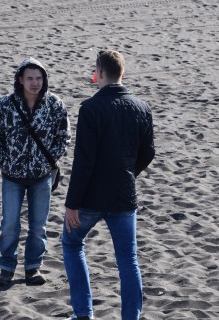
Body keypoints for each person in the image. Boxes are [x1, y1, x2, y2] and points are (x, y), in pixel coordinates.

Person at [63, 50, 155, 320]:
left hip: (91, 197)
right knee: (128, 261)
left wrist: (72, 204)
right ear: (122, 73)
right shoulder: (142, 107)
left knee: (72, 244)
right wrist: (127, 173)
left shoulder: (90, 108)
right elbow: (148, 153)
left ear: (99, 73)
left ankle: (83, 314)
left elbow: (84, 161)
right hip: (123, 195)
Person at [0, 57, 71, 286]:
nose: (35, 83)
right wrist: (5, 162)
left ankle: (33, 268)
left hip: (41, 177)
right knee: (9, 225)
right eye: (30, 78)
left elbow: (63, 136)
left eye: (39, 78)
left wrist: (49, 161)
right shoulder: (5, 105)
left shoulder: (55, 105)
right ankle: (6, 268)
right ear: (20, 80)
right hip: (12, 177)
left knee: (38, 226)